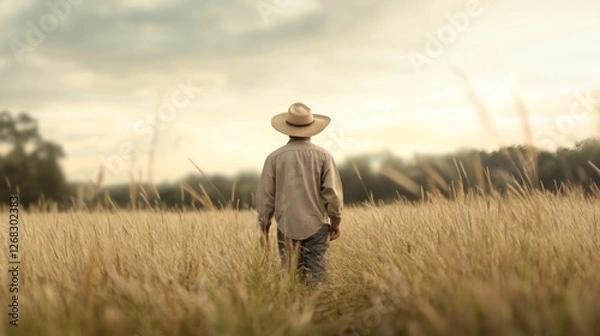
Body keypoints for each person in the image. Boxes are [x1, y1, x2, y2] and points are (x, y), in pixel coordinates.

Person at [256, 102, 344, 285]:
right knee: (317, 280)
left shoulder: (274, 158)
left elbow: (266, 197)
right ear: (312, 129)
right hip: (317, 226)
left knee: (292, 280)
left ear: (287, 129)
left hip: (286, 227)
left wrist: (264, 227)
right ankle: (318, 311)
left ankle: (295, 311)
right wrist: (335, 221)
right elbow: (332, 193)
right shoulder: (323, 156)